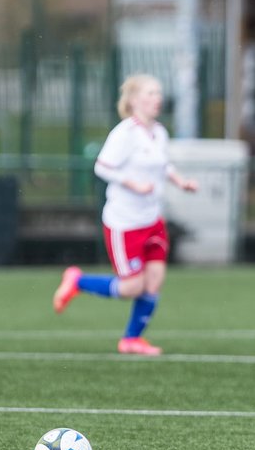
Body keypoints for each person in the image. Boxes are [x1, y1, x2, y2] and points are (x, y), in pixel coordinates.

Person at [53, 74, 198, 355]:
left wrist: (181, 181)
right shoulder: (124, 133)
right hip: (124, 223)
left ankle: (131, 339)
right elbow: (102, 167)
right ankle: (77, 281)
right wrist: (133, 183)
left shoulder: (159, 132)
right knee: (132, 287)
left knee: (154, 280)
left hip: (153, 219)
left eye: (159, 93)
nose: (158, 99)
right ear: (133, 100)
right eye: (151, 93)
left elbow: (163, 165)